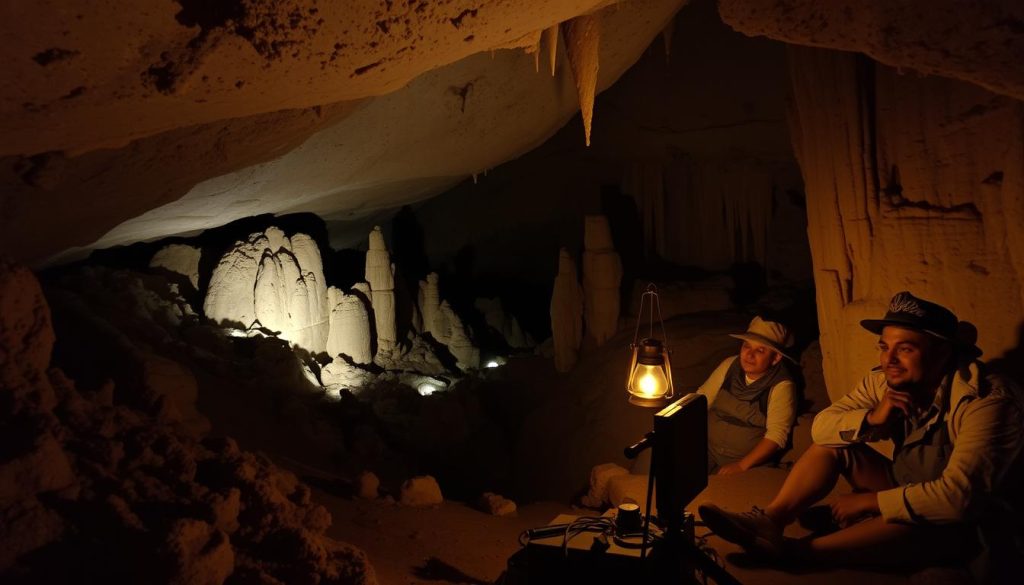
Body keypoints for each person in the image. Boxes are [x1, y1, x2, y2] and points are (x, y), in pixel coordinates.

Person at [698, 291, 1024, 578]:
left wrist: (871, 501)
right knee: (831, 446)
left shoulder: (986, 401)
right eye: (885, 347)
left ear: (942, 352)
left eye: (905, 349)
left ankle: (797, 554)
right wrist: (870, 417)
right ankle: (770, 521)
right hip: (905, 484)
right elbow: (823, 427)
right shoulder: (886, 379)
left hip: (959, 523)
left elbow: (958, 499)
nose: (889, 360)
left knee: (922, 521)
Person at [700, 316, 799, 475]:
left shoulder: (781, 386)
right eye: (747, 346)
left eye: (760, 350)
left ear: (775, 358)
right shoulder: (729, 365)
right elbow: (701, 399)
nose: (749, 355)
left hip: (747, 462)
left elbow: (777, 436)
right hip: (709, 450)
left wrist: (741, 466)